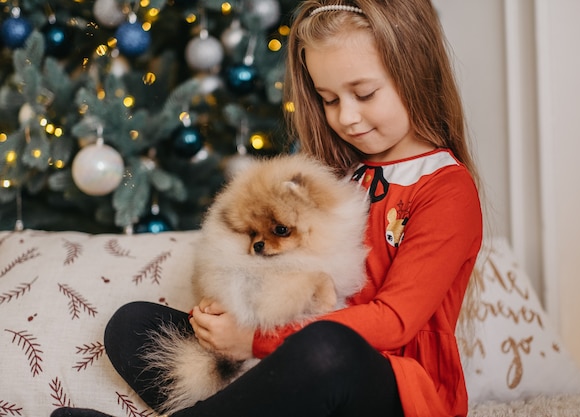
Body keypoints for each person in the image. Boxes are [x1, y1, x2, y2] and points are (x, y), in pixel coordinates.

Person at [51, 1, 483, 416]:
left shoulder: (446, 189)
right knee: (134, 325)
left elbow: (394, 322)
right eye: (329, 100)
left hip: (396, 386)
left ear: (417, 73)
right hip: (296, 352)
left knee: (326, 349)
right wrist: (233, 314)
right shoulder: (338, 176)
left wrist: (256, 340)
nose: (346, 117)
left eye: (364, 93)